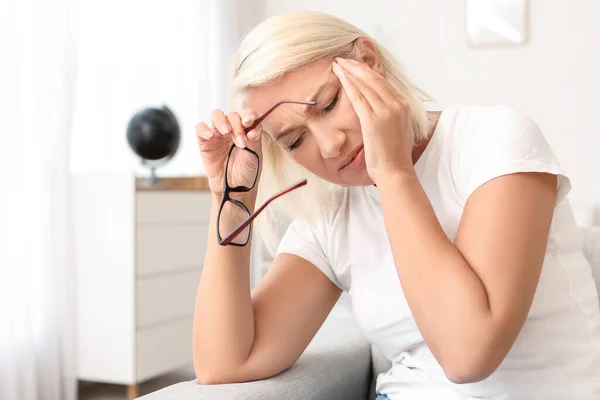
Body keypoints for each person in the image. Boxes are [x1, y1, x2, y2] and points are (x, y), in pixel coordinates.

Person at [192, 10, 600, 400]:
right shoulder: (331, 214)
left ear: (369, 62)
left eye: (330, 103)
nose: (330, 145)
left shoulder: (494, 139)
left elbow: (469, 354)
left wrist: (393, 172)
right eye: (296, 141)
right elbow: (224, 363)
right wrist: (230, 199)